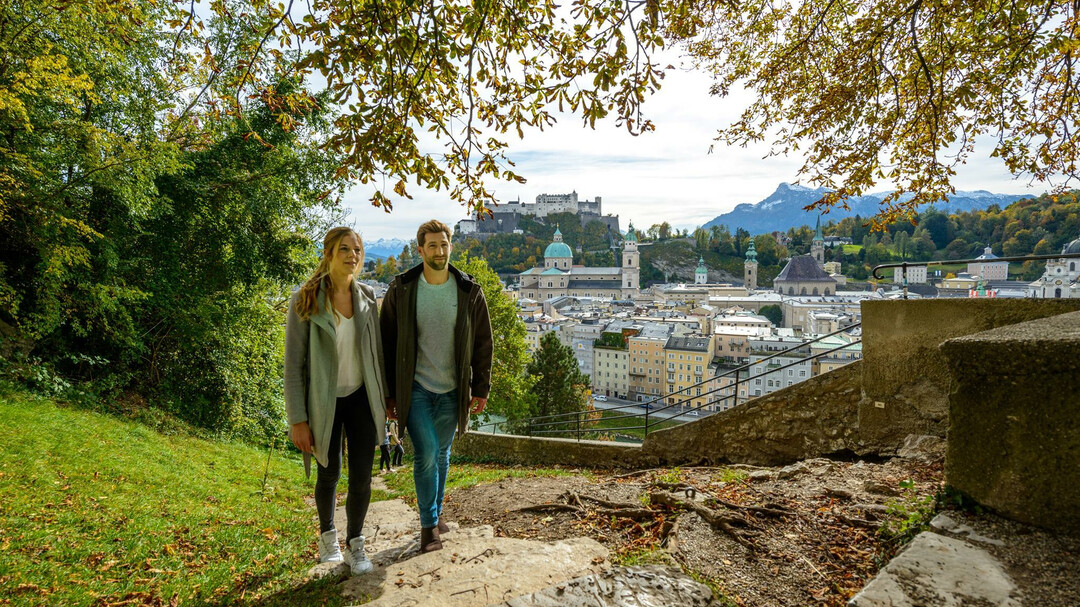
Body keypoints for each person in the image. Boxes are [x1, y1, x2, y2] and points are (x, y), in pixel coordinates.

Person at [380, 219, 492, 553]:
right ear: (420, 249)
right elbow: (386, 344)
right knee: (427, 453)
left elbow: (484, 343)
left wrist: (481, 387)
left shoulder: (468, 290)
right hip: (414, 387)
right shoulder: (402, 289)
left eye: (444, 245)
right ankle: (429, 527)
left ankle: (437, 512)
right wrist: (388, 393)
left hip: (452, 389)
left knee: (442, 454)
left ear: (450, 246)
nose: (439, 251)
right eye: (432, 246)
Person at [284, 227, 388, 575]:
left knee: (361, 478)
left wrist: (384, 402)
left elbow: (376, 356)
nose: (352, 256)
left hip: (361, 398)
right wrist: (298, 419)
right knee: (329, 473)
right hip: (324, 402)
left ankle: (355, 544)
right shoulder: (305, 299)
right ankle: (328, 535)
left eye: (357, 250)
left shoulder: (368, 297)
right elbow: (294, 366)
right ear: (329, 253)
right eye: (344, 249)